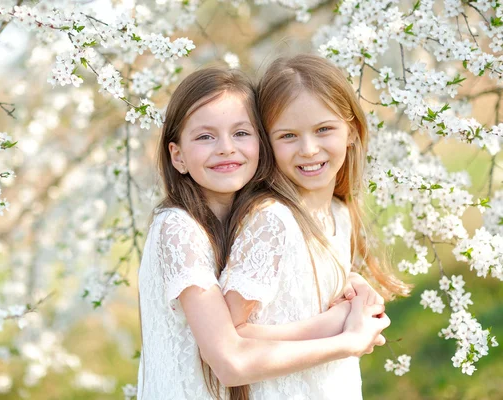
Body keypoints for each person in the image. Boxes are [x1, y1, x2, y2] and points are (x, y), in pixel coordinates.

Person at [137, 66, 391, 399]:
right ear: (178, 156)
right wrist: (344, 335)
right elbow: (230, 359)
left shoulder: (246, 220)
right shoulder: (179, 229)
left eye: (241, 133)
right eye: (205, 136)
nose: (226, 148)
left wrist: (348, 287)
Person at [219, 54, 410, 399]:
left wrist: (353, 287)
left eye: (324, 129)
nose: (309, 149)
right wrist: (336, 327)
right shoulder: (271, 220)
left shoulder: (339, 212)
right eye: (288, 135)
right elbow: (230, 336)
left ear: (351, 130)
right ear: (267, 144)